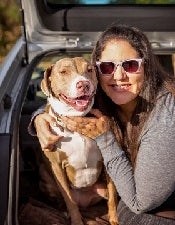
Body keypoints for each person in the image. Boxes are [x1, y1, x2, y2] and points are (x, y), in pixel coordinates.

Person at [30, 24, 175, 225]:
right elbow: (61, 100)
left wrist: (105, 138)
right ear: (97, 73)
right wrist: (38, 119)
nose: (118, 76)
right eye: (107, 67)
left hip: (148, 199)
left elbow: (140, 203)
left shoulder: (165, 116)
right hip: (134, 192)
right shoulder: (100, 97)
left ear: (147, 66)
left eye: (130, 65)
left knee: (131, 216)